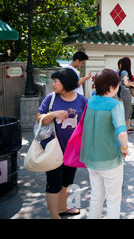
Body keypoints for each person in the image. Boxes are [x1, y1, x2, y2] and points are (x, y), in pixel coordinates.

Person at [36, 68, 88, 219]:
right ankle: (55, 216)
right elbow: (39, 118)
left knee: (68, 181)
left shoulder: (81, 100)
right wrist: (52, 114)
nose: (53, 84)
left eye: (55, 81)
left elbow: (88, 121)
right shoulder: (51, 98)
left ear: (65, 82)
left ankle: (62, 207)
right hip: (53, 149)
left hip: (72, 150)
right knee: (54, 183)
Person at [80, 69, 128, 219]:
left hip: (91, 158)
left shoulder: (91, 101)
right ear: (113, 87)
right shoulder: (115, 104)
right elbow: (121, 132)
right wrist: (125, 148)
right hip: (110, 159)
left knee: (96, 196)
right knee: (113, 200)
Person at [118, 57, 134, 133]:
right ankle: (125, 128)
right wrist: (132, 84)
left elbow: (122, 83)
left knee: (128, 109)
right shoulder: (125, 72)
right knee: (127, 109)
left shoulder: (122, 72)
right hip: (126, 92)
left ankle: (128, 126)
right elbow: (126, 83)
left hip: (124, 92)